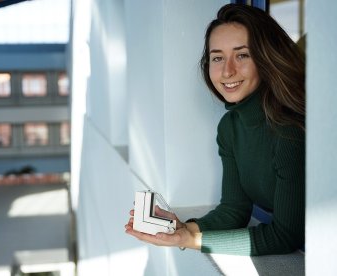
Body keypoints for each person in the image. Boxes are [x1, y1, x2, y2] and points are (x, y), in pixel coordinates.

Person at [125, 3, 305, 256]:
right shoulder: (230, 128)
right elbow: (235, 208)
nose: (227, 70)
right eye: (217, 57)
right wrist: (185, 229)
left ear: (266, 57)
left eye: (242, 55)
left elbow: (286, 235)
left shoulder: (289, 131)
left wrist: (190, 241)